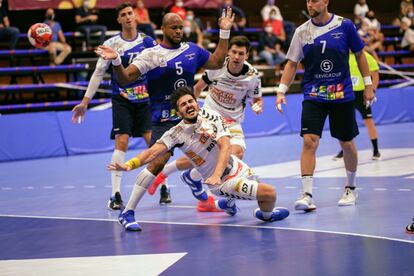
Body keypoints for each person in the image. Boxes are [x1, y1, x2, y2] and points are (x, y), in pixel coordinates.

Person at [95, 8, 235, 229]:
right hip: (163, 120)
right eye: (174, 27)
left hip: (190, 118)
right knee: (158, 161)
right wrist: (116, 62)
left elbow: (218, 61)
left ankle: (213, 198)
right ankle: (128, 211)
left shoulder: (193, 50)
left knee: (218, 155)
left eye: (181, 27)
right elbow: (124, 79)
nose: (179, 31)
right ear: (164, 29)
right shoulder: (151, 54)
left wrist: (224, 32)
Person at [108, 87, 289, 231]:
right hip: (220, 183)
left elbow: (226, 146)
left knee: (262, 193)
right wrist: (129, 165)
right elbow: (152, 152)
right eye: (183, 105)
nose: (188, 105)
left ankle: (256, 212)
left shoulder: (211, 116)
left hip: (236, 168)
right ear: (179, 112)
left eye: (190, 101)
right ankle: (260, 213)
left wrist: (218, 172)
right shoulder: (176, 133)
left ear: (196, 102)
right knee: (269, 193)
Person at [275, 0, 375, 212]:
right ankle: (307, 194)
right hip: (314, 95)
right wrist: (281, 90)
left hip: (342, 94)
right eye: (308, 0)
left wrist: (368, 86)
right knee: (309, 141)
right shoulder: (302, 32)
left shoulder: (344, 25)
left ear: (326, 1)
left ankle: (350, 187)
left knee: (346, 143)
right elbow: (292, 63)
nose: (310, 3)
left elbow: (359, 55)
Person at [147, 36, 263, 212]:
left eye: (241, 53)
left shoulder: (253, 76)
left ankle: (196, 179)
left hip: (232, 120)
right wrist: (193, 111)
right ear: (228, 52)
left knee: (235, 154)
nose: (237, 56)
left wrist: (257, 105)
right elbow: (198, 88)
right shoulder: (217, 68)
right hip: (210, 115)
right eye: (233, 52)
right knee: (206, 154)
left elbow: (257, 98)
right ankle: (169, 172)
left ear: (247, 55)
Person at [72, 3, 156, 210]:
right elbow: (98, 73)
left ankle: (161, 186)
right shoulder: (111, 44)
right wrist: (85, 102)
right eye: (123, 15)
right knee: (122, 140)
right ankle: (115, 194)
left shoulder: (147, 41)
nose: (128, 17)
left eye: (130, 13)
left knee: (153, 143)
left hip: (145, 99)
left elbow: (159, 67)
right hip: (122, 99)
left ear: (135, 16)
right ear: (118, 20)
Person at [333, 51, 381, 161]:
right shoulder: (342, 55)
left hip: (361, 94)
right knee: (345, 122)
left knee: (368, 121)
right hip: (347, 92)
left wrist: (372, 89)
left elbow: (375, 74)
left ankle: (376, 150)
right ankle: (344, 149)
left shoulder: (365, 56)